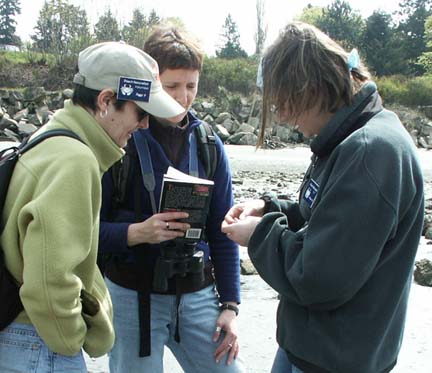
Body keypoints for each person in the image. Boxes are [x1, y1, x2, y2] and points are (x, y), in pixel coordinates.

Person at [222, 22, 424, 373]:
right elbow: (323, 217)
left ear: (314, 87)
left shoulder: (371, 152)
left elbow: (318, 278)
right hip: (309, 348)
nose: (284, 117)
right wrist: (270, 207)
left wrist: (259, 233)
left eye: (287, 104)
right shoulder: (349, 138)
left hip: (335, 360)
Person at [0, 41, 183, 372]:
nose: (144, 125)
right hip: (39, 342)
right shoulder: (76, 159)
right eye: (141, 112)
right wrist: (71, 339)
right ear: (106, 101)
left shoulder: (51, 138)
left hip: (19, 333)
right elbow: (50, 277)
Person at [98, 25, 245, 372]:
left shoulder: (209, 144)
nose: (183, 97)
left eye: (191, 86)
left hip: (196, 295)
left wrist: (231, 306)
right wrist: (137, 233)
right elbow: (87, 232)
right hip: (133, 297)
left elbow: (224, 232)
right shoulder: (121, 141)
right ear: (150, 84)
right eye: (172, 86)